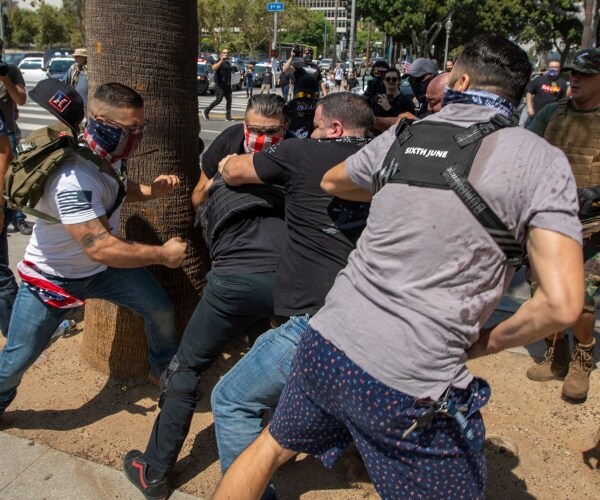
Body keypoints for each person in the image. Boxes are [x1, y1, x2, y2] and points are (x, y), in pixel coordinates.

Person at [212, 34, 584, 500]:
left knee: (268, 448)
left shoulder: (405, 136)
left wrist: (398, 187)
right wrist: (482, 343)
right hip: (410, 385)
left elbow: (334, 181)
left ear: (462, 80)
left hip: (325, 344)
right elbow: (564, 304)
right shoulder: (541, 161)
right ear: (521, 92)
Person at [122, 94, 288, 499]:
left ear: (284, 129)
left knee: (186, 369)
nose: (260, 139)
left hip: (236, 284)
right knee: (276, 359)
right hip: (284, 283)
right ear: (244, 125)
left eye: (271, 133)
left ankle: (155, 471)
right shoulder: (235, 143)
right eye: (254, 130)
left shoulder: (292, 157)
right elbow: (197, 196)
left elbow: (200, 199)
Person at [210, 93, 373, 498]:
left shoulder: (301, 152)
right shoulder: (385, 162)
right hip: (372, 317)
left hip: (316, 321)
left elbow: (234, 171)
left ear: (334, 129)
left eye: (317, 125)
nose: (312, 132)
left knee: (231, 399)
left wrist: (224, 161)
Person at [0, 80, 187, 420]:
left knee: (159, 307)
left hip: (101, 274)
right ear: (100, 121)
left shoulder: (103, 153)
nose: (137, 136)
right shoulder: (73, 177)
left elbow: (112, 187)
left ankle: (160, 369)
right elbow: (99, 246)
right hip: (52, 281)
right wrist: (163, 254)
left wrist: (149, 191)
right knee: (16, 359)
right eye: (130, 129)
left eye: (140, 128)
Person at [526, 48, 600, 403]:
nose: (576, 79)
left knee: (582, 298)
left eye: (586, 74)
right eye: (575, 73)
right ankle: (555, 354)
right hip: (550, 219)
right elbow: (525, 154)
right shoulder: (551, 114)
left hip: (593, 225)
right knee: (543, 289)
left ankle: (582, 355)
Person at [0, 37, 28, 336]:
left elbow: (20, 100)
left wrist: (5, 78)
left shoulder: (10, 71)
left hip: (7, 147)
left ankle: (15, 327)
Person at [282, 47, 324, 138]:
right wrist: (292, 56)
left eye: (311, 53)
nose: (309, 54)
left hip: (314, 98)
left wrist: (326, 95)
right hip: (300, 99)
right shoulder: (298, 65)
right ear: (303, 54)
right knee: (297, 121)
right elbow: (285, 70)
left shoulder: (316, 67)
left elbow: (321, 82)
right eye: (307, 52)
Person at [525, 57, 568, 126]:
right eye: (552, 67)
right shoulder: (539, 79)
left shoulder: (562, 83)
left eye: (556, 67)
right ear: (548, 68)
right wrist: (529, 107)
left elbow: (563, 101)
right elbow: (529, 92)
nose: (554, 69)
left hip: (550, 119)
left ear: (559, 69)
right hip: (535, 116)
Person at [372, 67, 415, 134]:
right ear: (384, 81)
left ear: (399, 81)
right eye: (388, 79)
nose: (391, 81)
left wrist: (389, 109)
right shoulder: (379, 99)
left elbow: (408, 123)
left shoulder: (406, 101)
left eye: (394, 79)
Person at [202, 48, 233, 121]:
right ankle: (206, 110)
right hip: (220, 85)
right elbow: (213, 68)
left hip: (227, 85)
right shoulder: (219, 61)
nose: (226, 54)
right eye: (224, 53)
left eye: (227, 53)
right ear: (221, 54)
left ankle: (228, 116)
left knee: (229, 100)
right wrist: (221, 60)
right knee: (218, 100)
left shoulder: (228, 63)